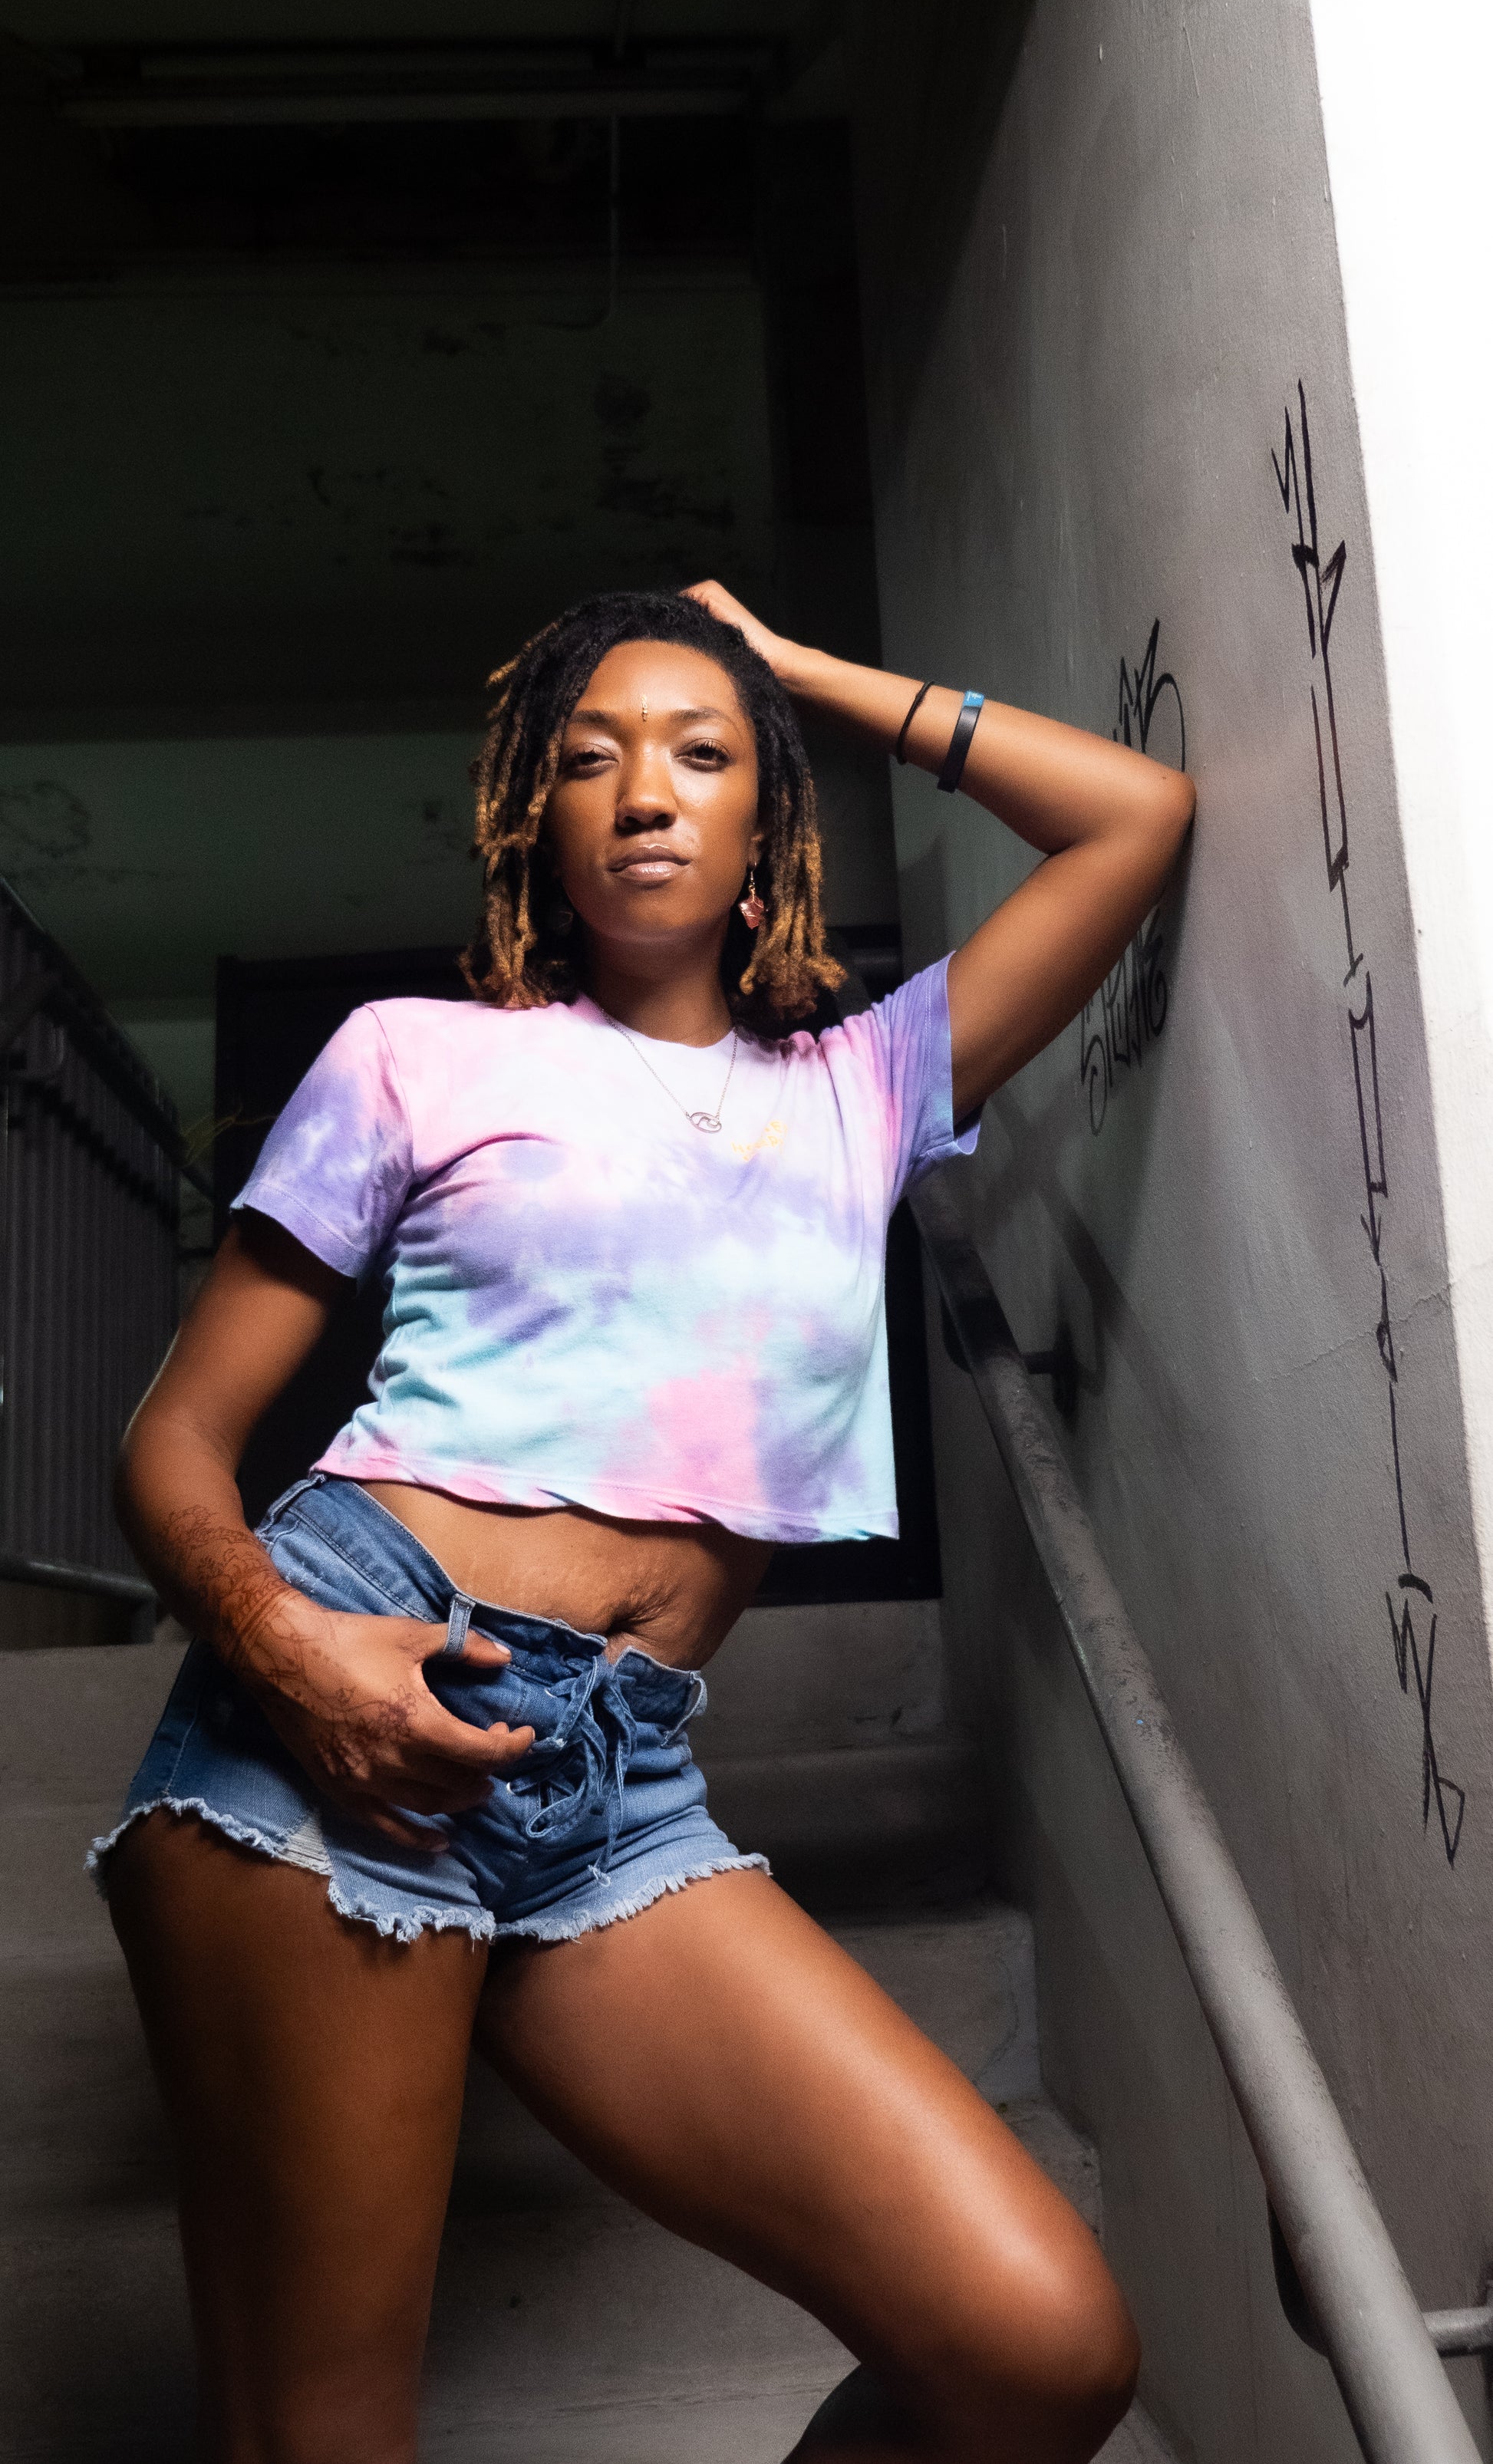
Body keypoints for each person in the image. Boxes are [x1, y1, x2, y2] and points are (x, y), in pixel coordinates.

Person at [95, 580, 1194, 2464]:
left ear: (770, 816)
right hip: (347, 1681)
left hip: (615, 1777)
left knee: (1035, 2344)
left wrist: (796, 671)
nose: (647, 789)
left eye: (702, 752)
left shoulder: (866, 1084)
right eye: (592, 755)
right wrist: (289, 1652)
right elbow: (172, 1441)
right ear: (540, 817)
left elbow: (1133, 816)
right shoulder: (414, 1054)